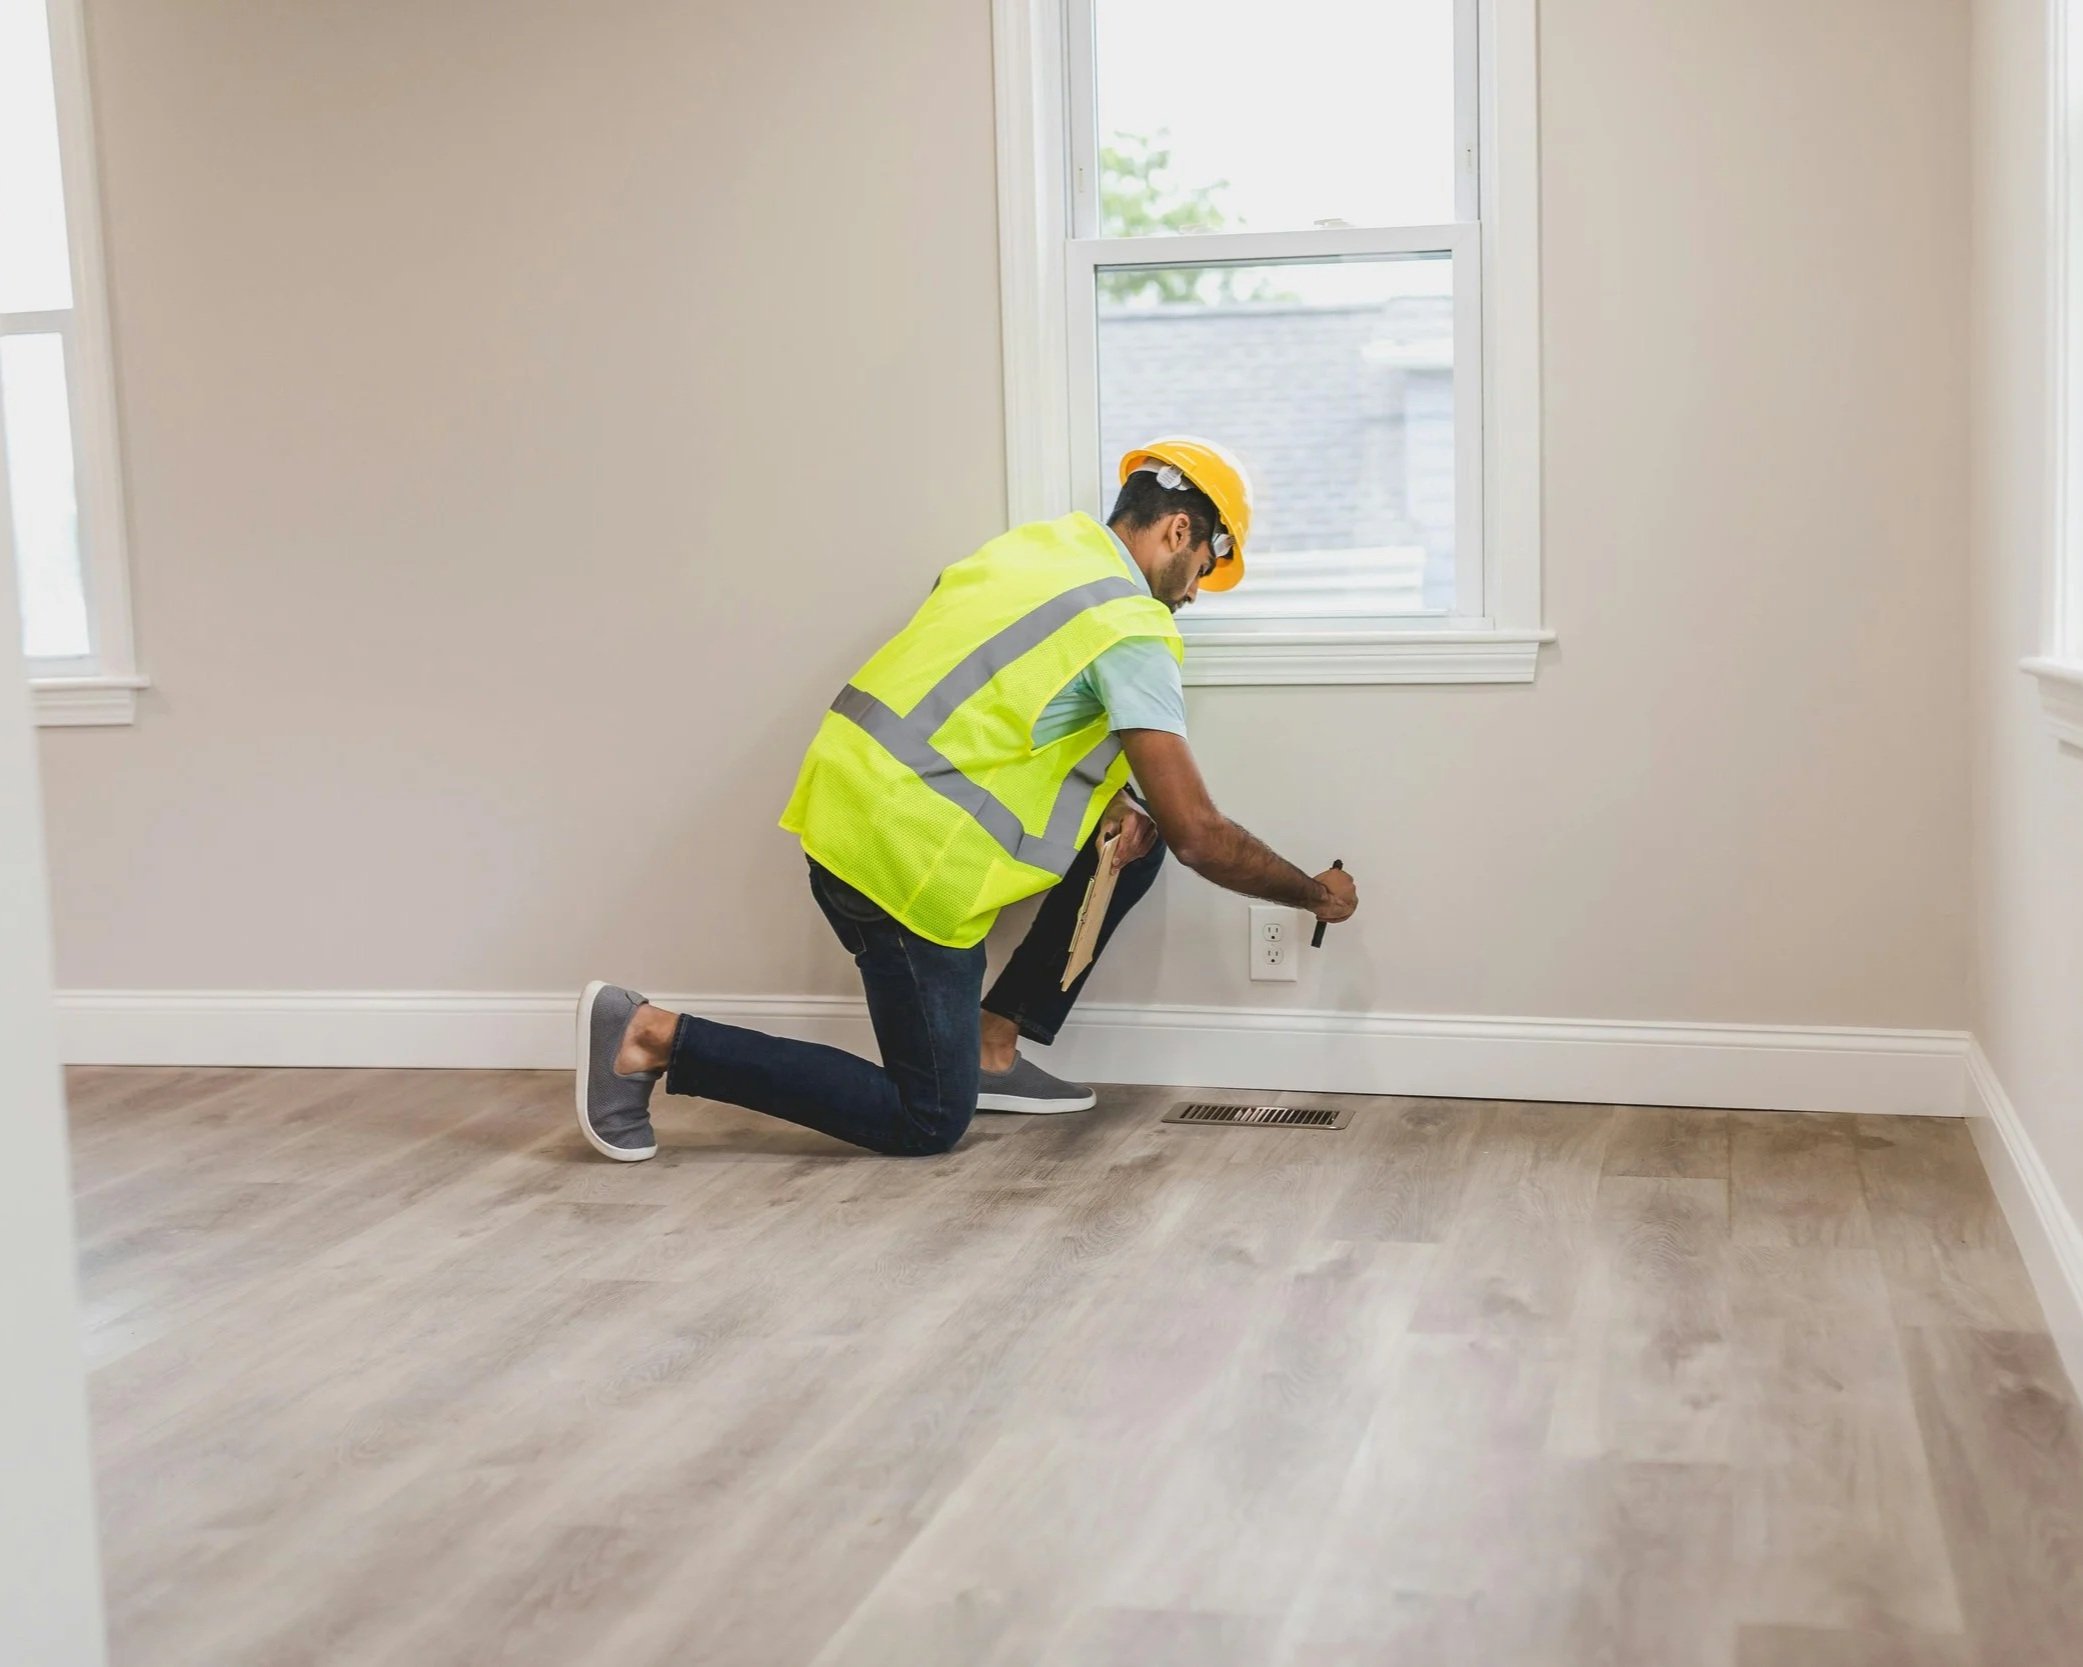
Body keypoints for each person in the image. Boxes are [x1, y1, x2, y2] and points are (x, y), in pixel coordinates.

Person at [575, 437, 1358, 1160]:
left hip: (844, 803)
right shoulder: (1130, 626)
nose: (1196, 594)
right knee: (925, 1118)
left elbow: (993, 694)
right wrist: (1310, 895)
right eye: (1206, 571)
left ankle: (990, 1043)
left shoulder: (1033, 550)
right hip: (902, 865)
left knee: (1133, 844)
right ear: (1180, 532)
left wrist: (1114, 803)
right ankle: (648, 1035)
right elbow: (1200, 833)